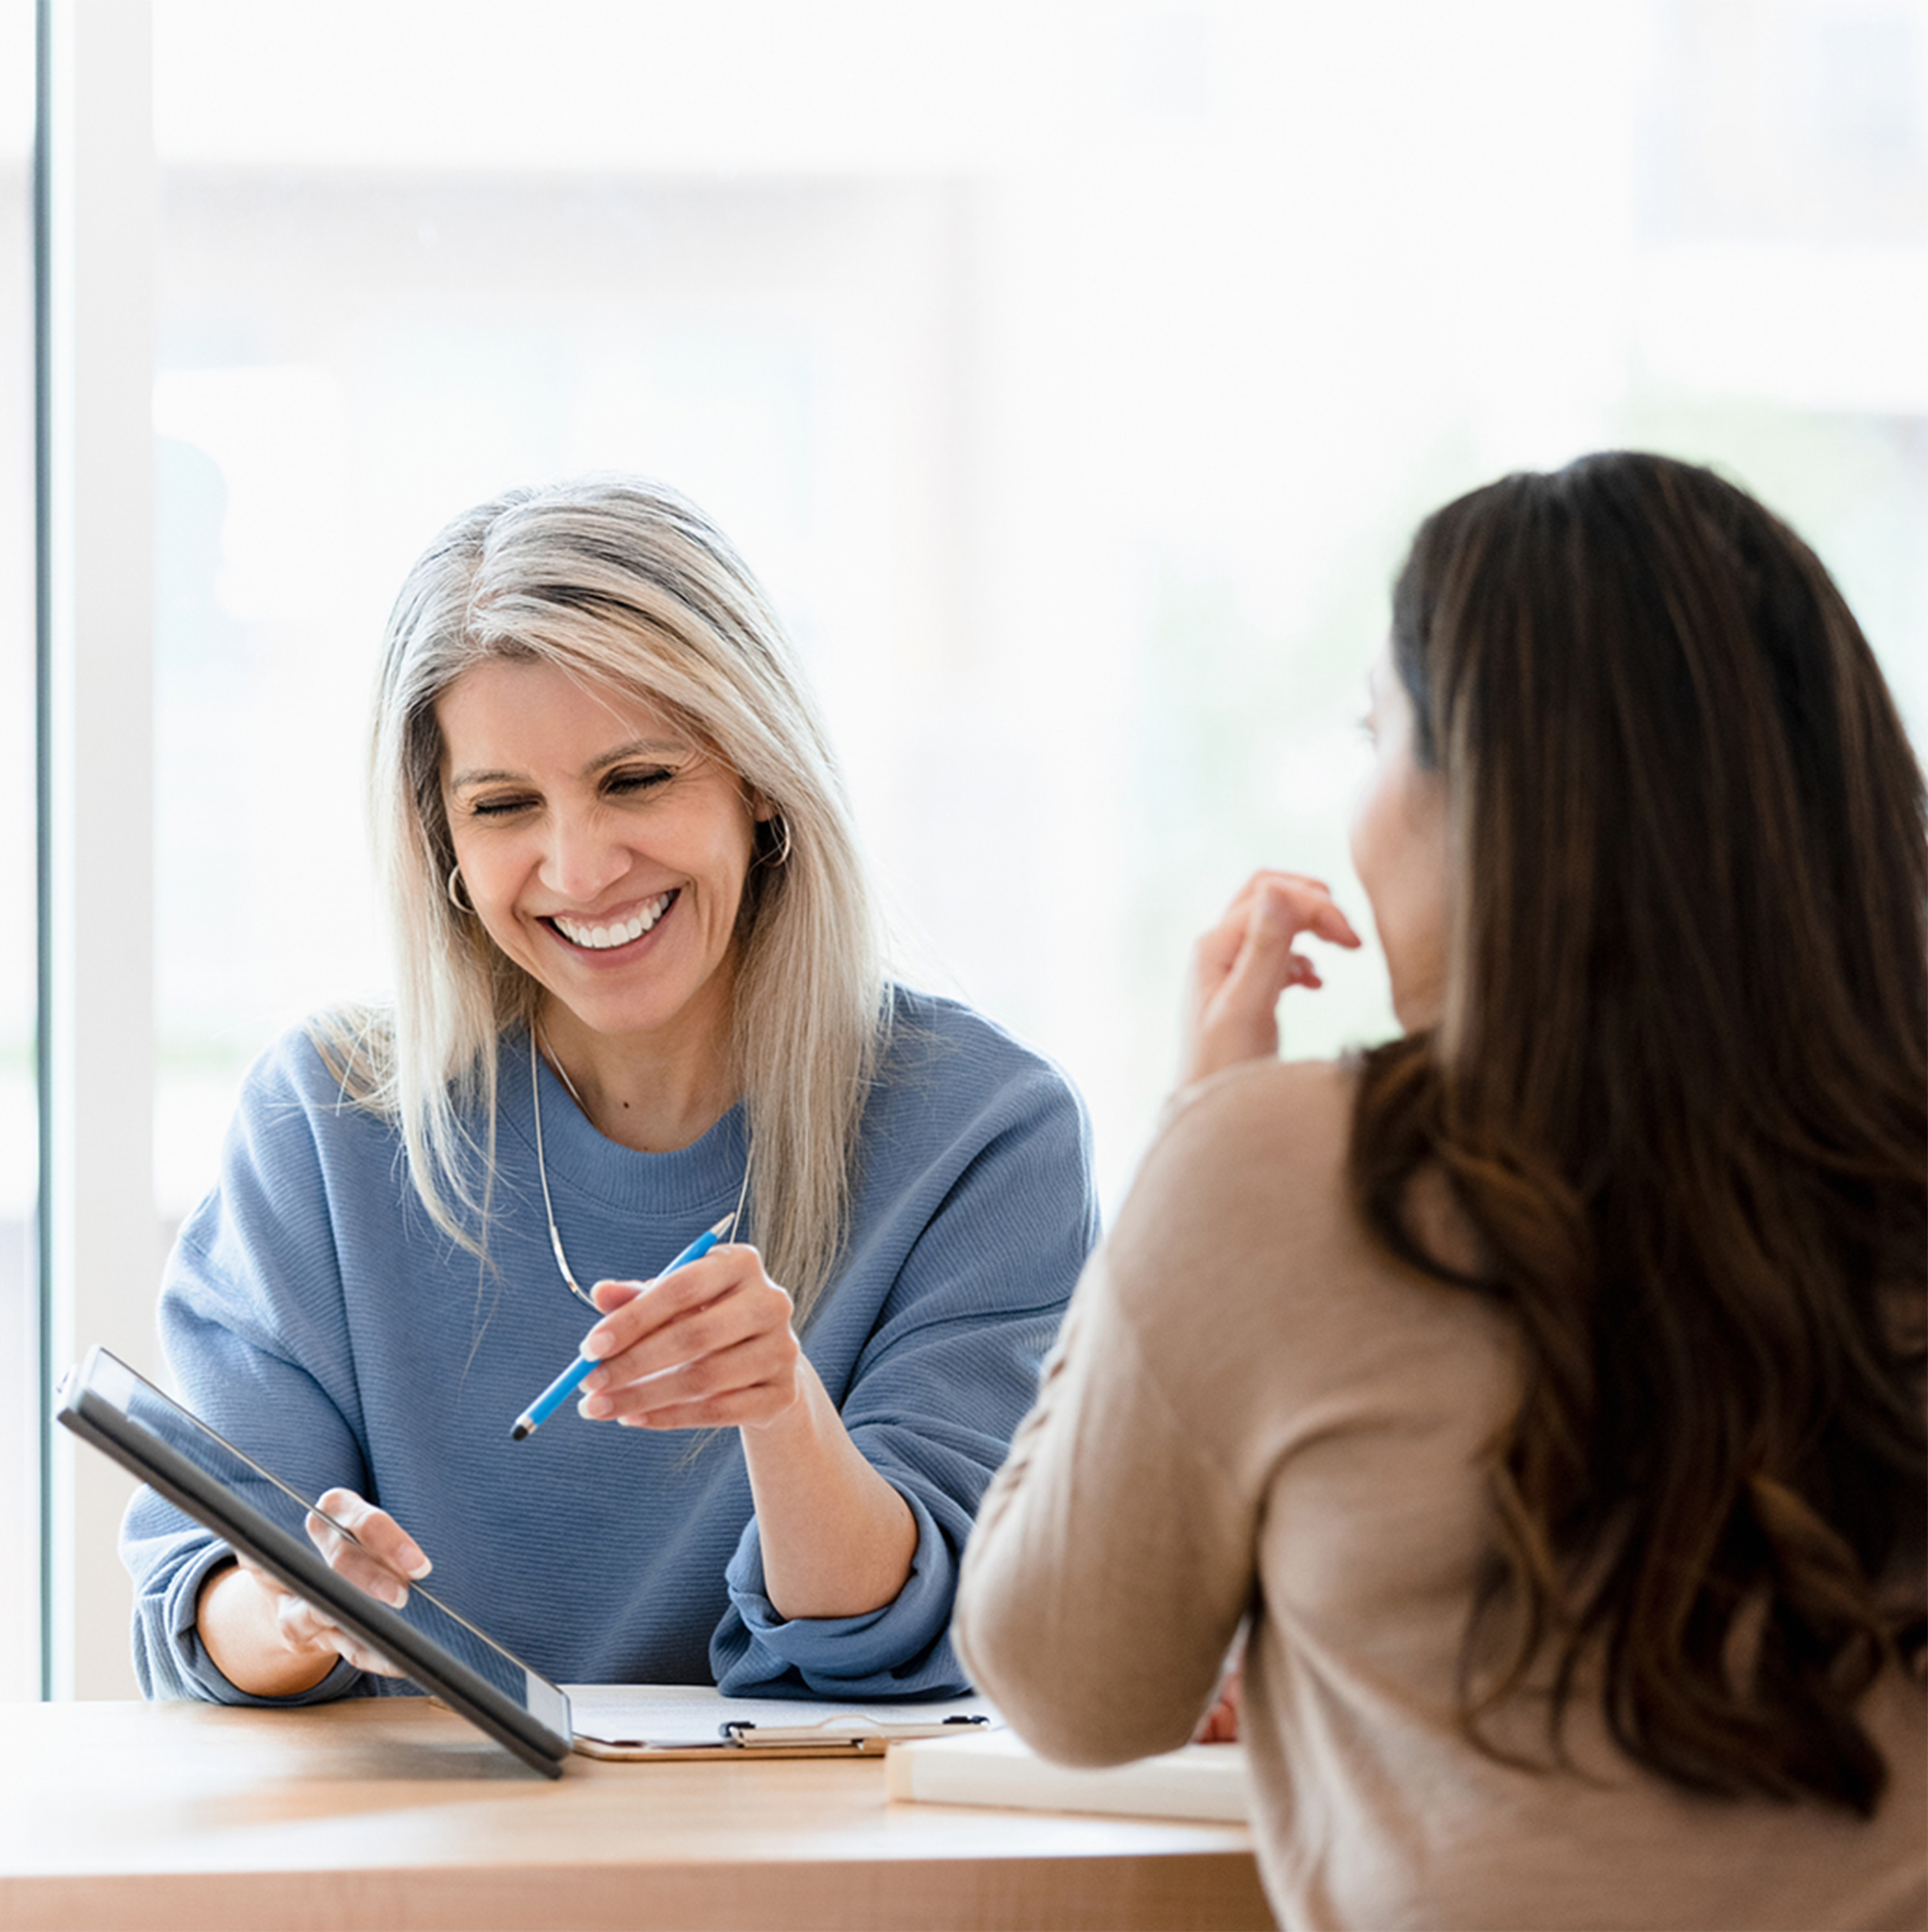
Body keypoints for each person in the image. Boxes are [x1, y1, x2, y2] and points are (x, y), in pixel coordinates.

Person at [956, 453, 1926, 1928]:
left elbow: (1071, 1686)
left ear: (1497, 793)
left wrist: (1196, 1130)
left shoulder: (1283, 1167)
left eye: (1373, 729)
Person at [124, 474, 1096, 1704]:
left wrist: (782, 1410)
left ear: (757, 779)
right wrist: (294, 1602)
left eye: (637, 781)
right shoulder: (321, 1122)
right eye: (504, 806)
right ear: (442, 845)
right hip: (411, 1876)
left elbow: (911, 1636)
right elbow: (198, 1601)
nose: (579, 868)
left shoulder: (984, 1138)